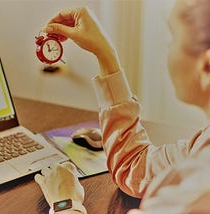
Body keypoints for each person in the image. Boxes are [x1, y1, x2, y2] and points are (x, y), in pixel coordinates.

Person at [34, 0, 210, 213]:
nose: (168, 49)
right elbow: (135, 168)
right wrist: (105, 54)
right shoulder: (204, 148)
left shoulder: (190, 199)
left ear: (206, 66)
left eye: (172, 39)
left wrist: (65, 202)